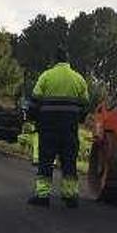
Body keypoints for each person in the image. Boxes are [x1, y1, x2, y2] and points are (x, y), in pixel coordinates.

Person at [28, 47, 89, 208]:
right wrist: (77, 119)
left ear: (54, 60)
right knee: (69, 161)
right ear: (68, 61)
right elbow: (85, 105)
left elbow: (34, 103)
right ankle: (70, 196)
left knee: (46, 161)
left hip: (48, 128)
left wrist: (34, 119)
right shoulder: (79, 79)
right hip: (69, 128)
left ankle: (43, 196)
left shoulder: (46, 76)